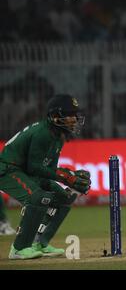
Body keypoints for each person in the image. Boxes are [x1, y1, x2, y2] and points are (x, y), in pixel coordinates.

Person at [0, 94, 91, 259]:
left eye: (75, 115)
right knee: (37, 197)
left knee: (63, 198)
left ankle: (40, 243)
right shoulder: (43, 133)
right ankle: (19, 249)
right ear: (56, 117)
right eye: (70, 115)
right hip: (7, 169)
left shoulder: (58, 136)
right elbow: (34, 167)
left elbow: (48, 168)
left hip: (24, 170)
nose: (74, 119)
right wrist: (66, 177)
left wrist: (69, 174)